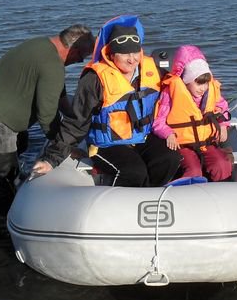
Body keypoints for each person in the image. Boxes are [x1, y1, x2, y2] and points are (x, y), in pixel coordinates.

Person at [32, 15, 181, 187]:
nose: (132, 59)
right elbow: (77, 122)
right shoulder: (95, 78)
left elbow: (175, 97)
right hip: (107, 143)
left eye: (135, 52)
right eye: (124, 54)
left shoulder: (152, 69)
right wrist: (51, 159)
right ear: (111, 53)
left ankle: (150, 196)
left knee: (169, 158)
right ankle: (122, 205)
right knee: (133, 171)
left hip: (142, 136)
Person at [0, 24, 94, 199]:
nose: (79, 62)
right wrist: (64, 147)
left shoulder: (42, 44)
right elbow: (46, 117)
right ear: (73, 50)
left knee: (21, 143)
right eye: (81, 57)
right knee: (4, 181)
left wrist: (75, 116)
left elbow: (57, 92)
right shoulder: (52, 66)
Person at [152, 45, 233, 182]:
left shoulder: (211, 91)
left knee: (221, 164)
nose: (203, 88)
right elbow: (158, 121)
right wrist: (168, 134)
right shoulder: (170, 92)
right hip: (182, 144)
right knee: (193, 170)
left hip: (207, 142)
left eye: (206, 83)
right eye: (198, 83)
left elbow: (223, 108)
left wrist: (224, 125)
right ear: (187, 81)